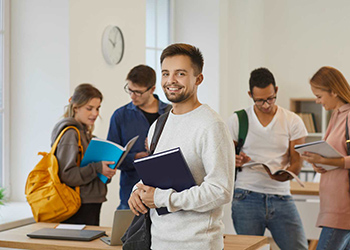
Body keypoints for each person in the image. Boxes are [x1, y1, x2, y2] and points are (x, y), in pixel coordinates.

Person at [127, 43, 235, 250]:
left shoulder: (212, 125)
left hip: (197, 244)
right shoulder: (159, 125)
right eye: (166, 73)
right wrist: (138, 191)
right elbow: (155, 176)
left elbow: (220, 190)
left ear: (198, 79)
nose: (171, 81)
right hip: (158, 242)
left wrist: (161, 198)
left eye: (180, 73)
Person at [227, 68, 308, 250]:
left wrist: (285, 174)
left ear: (276, 91)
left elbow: (296, 162)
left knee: (299, 247)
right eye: (260, 100)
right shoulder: (237, 120)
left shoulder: (292, 121)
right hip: (246, 195)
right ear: (250, 95)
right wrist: (235, 159)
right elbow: (225, 157)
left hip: (281, 195)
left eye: (270, 98)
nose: (266, 104)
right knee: (250, 248)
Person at [51, 83, 116, 226]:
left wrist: (105, 170)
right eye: (89, 108)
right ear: (76, 108)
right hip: (79, 205)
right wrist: (98, 168)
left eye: (97, 108)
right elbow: (67, 175)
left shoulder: (86, 135)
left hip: (90, 203)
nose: (95, 113)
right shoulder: (70, 134)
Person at [107, 65, 170, 210]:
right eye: (130, 90)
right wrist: (135, 157)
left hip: (166, 195)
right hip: (131, 196)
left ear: (152, 89)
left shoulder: (171, 113)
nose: (132, 96)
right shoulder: (120, 116)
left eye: (138, 92)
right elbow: (112, 160)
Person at [301, 66, 350, 250]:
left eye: (319, 96)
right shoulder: (336, 116)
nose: (317, 100)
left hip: (343, 207)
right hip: (332, 205)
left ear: (334, 91)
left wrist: (326, 161)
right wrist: (319, 164)